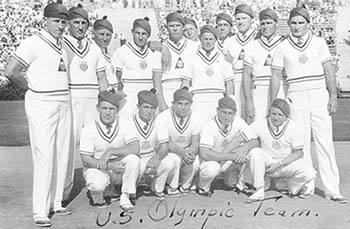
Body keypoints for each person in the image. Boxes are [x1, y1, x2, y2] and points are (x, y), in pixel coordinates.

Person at [270, 7, 347, 203]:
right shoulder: (282, 47)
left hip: (318, 93)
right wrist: (275, 102)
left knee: (325, 142)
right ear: (288, 25)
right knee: (300, 143)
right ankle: (305, 185)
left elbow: (328, 70)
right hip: (295, 94)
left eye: (300, 23)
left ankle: (332, 189)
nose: (297, 27)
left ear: (308, 23)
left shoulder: (319, 43)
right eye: (293, 23)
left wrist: (333, 96)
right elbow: (276, 76)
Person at [5, 3, 72, 227]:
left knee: (62, 153)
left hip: (63, 100)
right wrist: (32, 89)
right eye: (56, 21)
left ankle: (56, 202)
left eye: (63, 22)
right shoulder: (33, 42)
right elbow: (11, 70)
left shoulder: (62, 44)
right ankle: (40, 211)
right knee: (44, 155)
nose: (61, 26)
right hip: (42, 102)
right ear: (45, 21)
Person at [63, 5, 109, 201]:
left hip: (92, 101)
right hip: (71, 100)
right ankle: (62, 193)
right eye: (76, 23)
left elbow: (102, 78)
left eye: (83, 23)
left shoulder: (94, 48)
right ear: (68, 24)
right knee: (67, 147)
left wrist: (105, 101)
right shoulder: (62, 44)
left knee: (96, 145)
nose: (80, 27)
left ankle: (97, 188)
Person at [80, 91, 140, 212]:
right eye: (104, 108)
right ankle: (97, 194)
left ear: (117, 110)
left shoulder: (125, 123)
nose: (108, 112)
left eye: (112, 109)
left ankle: (125, 196)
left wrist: (111, 152)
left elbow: (135, 148)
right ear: (97, 108)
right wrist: (109, 165)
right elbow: (85, 159)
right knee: (96, 185)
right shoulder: (88, 129)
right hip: (98, 166)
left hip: (118, 163)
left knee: (134, 160)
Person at [246, 99, 316, 203]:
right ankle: (259, 189)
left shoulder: (294, 128)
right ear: (269, 113)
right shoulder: (261, 124)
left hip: (285, 164)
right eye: (273, 113)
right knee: (255, 152)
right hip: (268, 164)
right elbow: (243, 135)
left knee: (308, 171)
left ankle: (291, 186)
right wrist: (244, 148)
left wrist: (279, 164)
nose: (276, 117)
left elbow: (299, 153)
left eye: (280, 114)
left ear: (286, 116)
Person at [198, 97, 255, 196]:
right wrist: (231, 156)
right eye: (223, 112)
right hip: (212, 160)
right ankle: (203, 187)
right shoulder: (210, 125)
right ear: (217, 111)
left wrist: (244, 148)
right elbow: (204, 153)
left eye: (230, 113)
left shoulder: (238, 121)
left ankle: (239, 183)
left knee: (252, 153)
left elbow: (255, 140)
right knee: (212, 169)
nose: (226, 117)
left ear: (234, 114)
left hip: (226, 160)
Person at [129, 90, 178, 198]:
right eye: (146, 107)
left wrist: (157, 158)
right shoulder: (129, 122)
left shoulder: (158, 122)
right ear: (138, 106)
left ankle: (157, 188)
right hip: (135, 157)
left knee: (169, 162)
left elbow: (164, 147)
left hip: (151, 155)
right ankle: (131, 190)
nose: (149, 111)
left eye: (152, 108)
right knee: (137, 165)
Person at [112, 17, 166, 117]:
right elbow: (117, 78)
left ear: (148, 35)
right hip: (129, 100)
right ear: (132, 32)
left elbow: (157, 80)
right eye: (137, 33)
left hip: (148, 99)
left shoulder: (154, 54)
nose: (140, 37)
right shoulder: (121, 52)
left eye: (144, 34)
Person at [182, 25, 234, 122]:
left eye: (211, 39)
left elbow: (229, 84)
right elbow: (185, 83)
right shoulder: (191, 58)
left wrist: (228, 103)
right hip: (198, 100)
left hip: (218, 98)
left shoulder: (223, 58)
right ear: (200, 39)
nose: (208, 42)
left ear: (215, 40)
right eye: (205, 39)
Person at [156, 88, 203, 194]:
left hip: (187, 149)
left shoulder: (197, 118)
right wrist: (182, 153)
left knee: (195, 162)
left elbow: (195, 142)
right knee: (174, 159)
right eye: (180, 104)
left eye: (186, 104)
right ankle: (171, 186)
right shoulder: (163, 117)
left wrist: (190, 154)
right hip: (169, 151)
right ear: (173, 103)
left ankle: (185, 186)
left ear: (191, 104)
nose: (183, 107)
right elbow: (165, 143)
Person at [243, 8, 285, 124]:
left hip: (281, 88)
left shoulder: (284, 44)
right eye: (263, 23)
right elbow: (246, 75)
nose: (266, 26)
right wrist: (249, 102)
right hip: (259, 90)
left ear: (276, 23)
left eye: (269, 23)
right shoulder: (252, 46)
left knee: (280, 128)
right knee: (258, 127)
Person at [224, 4, 257, 118]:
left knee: (254, 118)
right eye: (238, 19)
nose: (241, 22)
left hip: (254, 82)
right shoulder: (229, 41)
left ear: (251, 20)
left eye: (244, 18)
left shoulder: (258, 38)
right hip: (235, 82)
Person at [161, 12, 198, 106]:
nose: (175, 29)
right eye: (171, 26)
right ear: (166, 28)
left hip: (189, 88)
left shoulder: (195, 46)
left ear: (183, 27)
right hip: (167, 89)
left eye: (178, 25)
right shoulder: (161, 48)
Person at [93, 16, 118, 91]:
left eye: (108, 35)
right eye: (101, 34)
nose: (105, 38)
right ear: (94, 34)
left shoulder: (107, 56)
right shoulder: (92, 52)